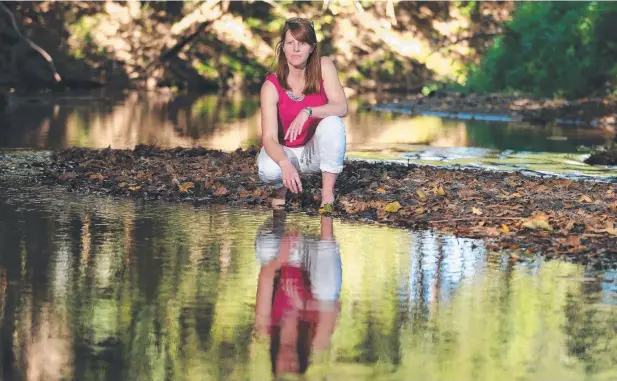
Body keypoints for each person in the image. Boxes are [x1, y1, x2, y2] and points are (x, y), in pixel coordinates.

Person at [257, 17, 348, 209]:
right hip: (284, 150)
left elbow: (341, 107)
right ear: (283, 47)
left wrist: (308, 111)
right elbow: (269, 138)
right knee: (269, 170)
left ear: (312, 47)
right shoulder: (271, 86)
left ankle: (327, 195)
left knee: (333, 123)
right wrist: (284, 163)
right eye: (290, 43)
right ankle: (280, 192)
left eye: (302, 43)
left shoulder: (324, 66)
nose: (295, 49)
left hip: (312, 152)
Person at [254, 211, 342, 375]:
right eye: (292, 371)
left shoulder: (264, 327)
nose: (288, 366)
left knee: (265, 248)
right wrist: (304, 305)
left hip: (284, 255)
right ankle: (327, 205)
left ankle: (279, 209)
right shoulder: (317, 340)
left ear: (275, 365)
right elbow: (335, 307)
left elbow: (265, 276)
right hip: (313, 257)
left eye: (283, 373)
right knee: (328, 292)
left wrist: (281, 258)